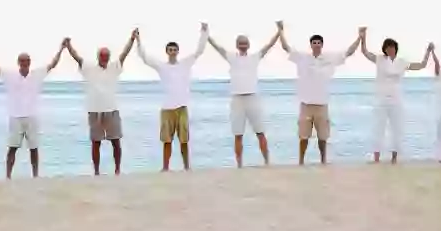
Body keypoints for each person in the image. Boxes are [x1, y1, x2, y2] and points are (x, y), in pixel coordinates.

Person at [0, 40, 65, 179]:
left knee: (34, 149)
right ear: (18, 62)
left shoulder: (36, 74)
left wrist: (62, 49)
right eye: (22, 60)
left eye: (27, 60)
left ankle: (35, 176)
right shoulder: (10, 75)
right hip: (15, 117)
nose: (24, 63)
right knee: (12, 148)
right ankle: (8, 176)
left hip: (32, 117)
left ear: (30, 62)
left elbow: (53, 64)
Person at [277, 22, 362, 165]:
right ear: (311, 45)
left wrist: (360, 36)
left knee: (323, 137)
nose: (316, 44)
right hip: (306, 105)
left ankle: (323, 160)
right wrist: (280, 31)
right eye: (314, 42)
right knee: (303, 137)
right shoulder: (303, 58)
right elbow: (286, 47)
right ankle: (301, 161)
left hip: (322, 105)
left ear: (322, 45)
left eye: (319, 42)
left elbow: (349, 52)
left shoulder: (329, 59)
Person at [136, 23, 208, 172]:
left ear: (178, 51)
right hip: (167, 108)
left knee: (184, 140)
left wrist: (204, 32)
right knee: (167, 141)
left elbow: (199, 51)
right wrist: (138, 40)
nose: (173, 52)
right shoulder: (162, 66)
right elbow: (144, 57)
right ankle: (165, 167)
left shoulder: (185, 64)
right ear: (167, 52)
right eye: (170, 50)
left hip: (182, 107)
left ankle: (187, 167)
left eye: (175, 50)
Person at [206, 23, 279, 168]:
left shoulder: (254, 57)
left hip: (252, 97)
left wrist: (279, 31)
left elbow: (269, 46)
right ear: (237, 45)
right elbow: (217, 47)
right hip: (237, 99)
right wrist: (206, 34)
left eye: (245, 43)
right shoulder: (232, 57)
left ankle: (267, 161)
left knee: (260, 132)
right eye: (240, 43)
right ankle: (239, 164)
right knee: (238, 134)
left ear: (249, 44)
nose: (243, 45)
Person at [64, 29, 136, 175]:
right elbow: (77, 58)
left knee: (116, 141)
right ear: (98, 57)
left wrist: (132, 39)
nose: (104, 58)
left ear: (109, 57)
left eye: (106, 56)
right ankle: (96, 171)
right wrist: (68, 46)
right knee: (95, 142)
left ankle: (117, 170)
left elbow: (125, 54)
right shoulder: (89, 68)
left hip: (111, 109)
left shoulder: (114, 67)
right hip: (94, 110)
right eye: (102, 56)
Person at [360, 28, 433, 164]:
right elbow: (364, 52)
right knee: (378, 128)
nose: (390, 49)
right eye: (388, 48)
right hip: (381, 99)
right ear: (384, 49)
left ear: (396, 48)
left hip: (396, 100)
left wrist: (428, 51)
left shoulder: (401, 62)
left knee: (397, 129)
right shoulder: (380, 59)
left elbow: (421, 65)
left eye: (392, 47)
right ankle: (376, 158)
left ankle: (394, 158)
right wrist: (363, 37)